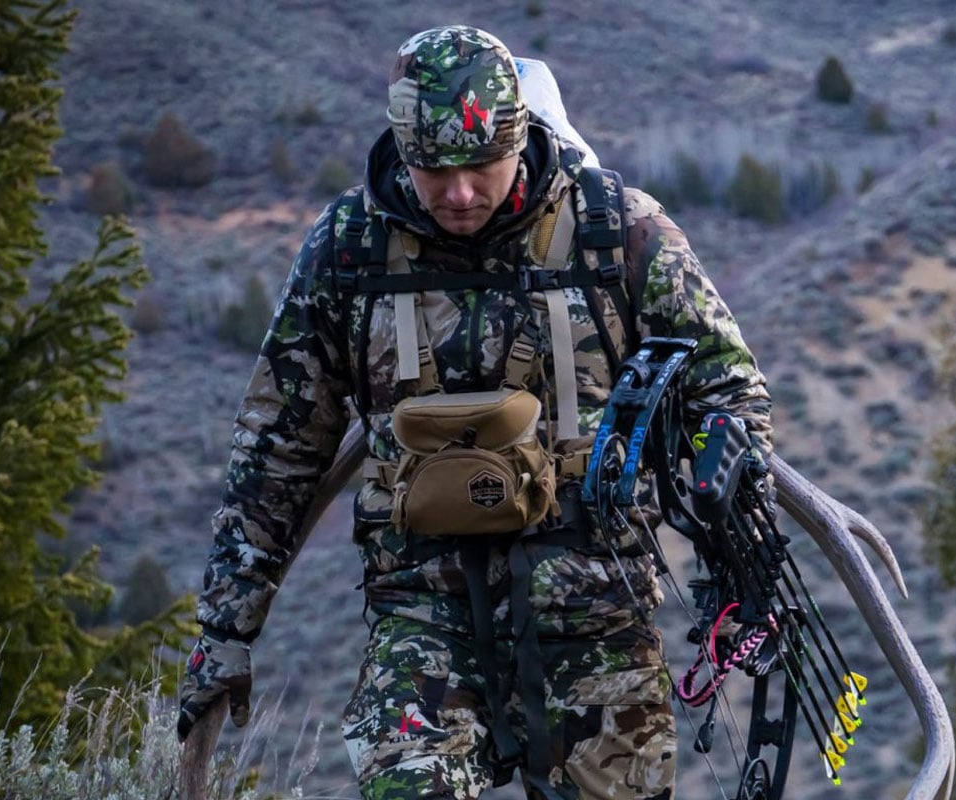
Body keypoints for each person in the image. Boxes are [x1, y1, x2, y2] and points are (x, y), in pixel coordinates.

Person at [177, 25, 772, 800]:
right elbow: (278, 450)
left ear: (520, 138)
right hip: (422, 617)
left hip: (596, 619)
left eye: (481, 165)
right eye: (435, 170)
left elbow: (724, 385)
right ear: (402, 148)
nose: (459, 194)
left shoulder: (616, 230)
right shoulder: (349, 250)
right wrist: (225, 631)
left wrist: (738, 542)